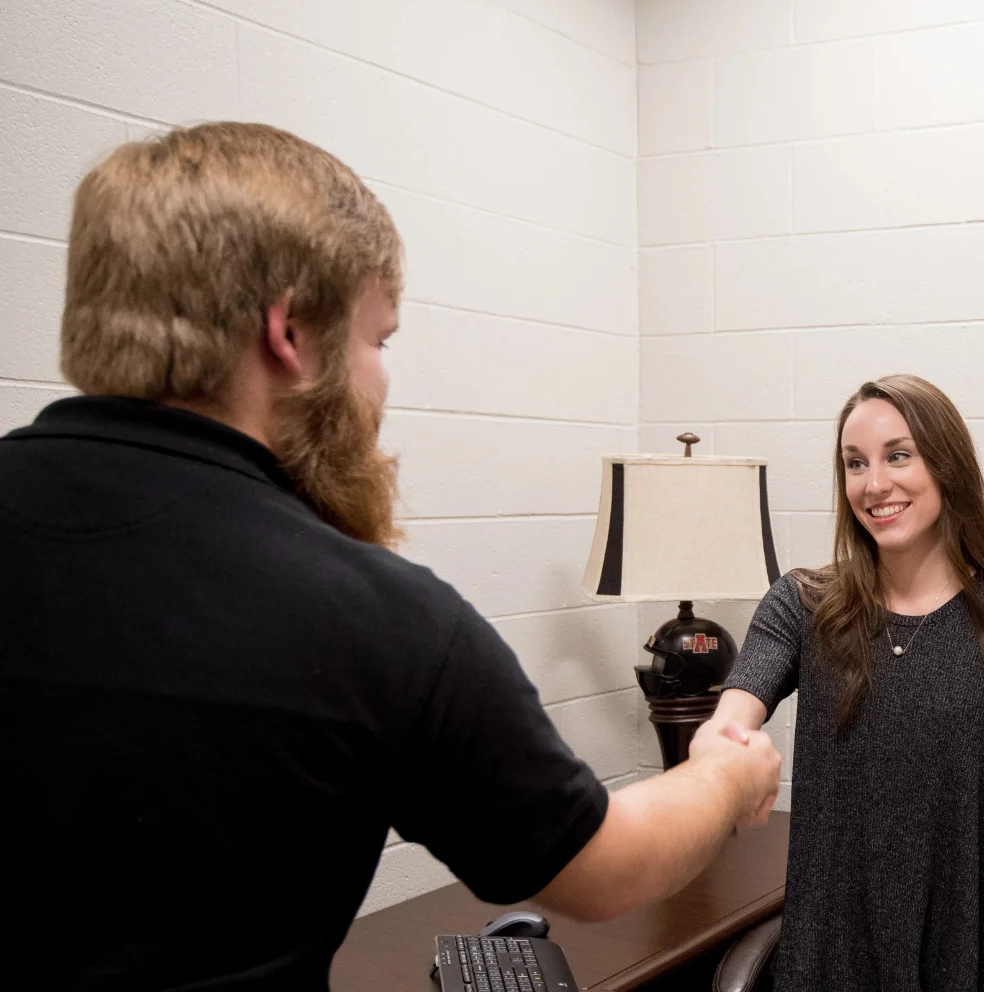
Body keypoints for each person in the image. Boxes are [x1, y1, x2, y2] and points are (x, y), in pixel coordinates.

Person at [0, 122, 781, 989]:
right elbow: (605, 868)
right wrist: (724, 775)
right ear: (289, 333)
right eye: (379, 340)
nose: (381, 381)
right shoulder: (372, 618)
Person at [710, 374, 984, 992]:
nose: (874, 484)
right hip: (830, 953)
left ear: (947, 465)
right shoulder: (803, 605)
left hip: (960, 951)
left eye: (898, 456)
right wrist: (723, 751)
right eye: (855, 463)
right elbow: (737, 708)